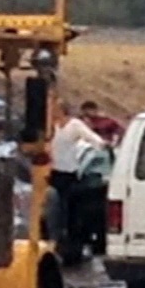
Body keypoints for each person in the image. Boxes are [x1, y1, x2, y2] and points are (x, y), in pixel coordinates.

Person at [51, 102, 106, 250]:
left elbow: (94, 139)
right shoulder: (49, 126)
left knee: (68, 208)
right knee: (53, 208)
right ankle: (55, 236)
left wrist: (101, 146)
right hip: (51, 172)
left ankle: (70, 241)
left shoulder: (75, 125)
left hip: (68, 173)